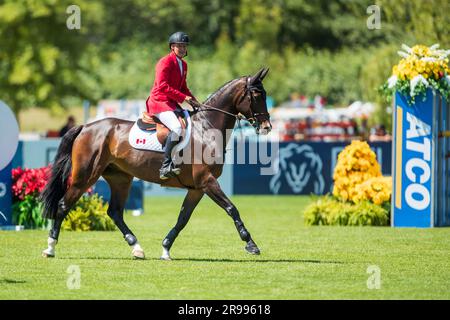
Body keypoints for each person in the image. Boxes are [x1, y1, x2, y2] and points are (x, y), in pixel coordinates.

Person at [146, 31, 201, 180]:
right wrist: (184, 98)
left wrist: (197, 103)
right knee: (177, 128)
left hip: (171, 103)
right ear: (172, 47)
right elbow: (162, 86)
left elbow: (183, 88)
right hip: (159, 102)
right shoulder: (165, 62)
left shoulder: (183, 64)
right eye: (179, 46)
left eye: (184, 46)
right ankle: (165, 166)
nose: (182, 49)